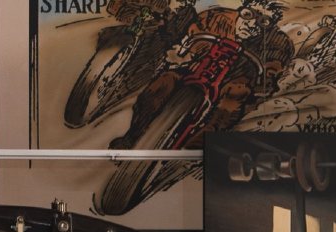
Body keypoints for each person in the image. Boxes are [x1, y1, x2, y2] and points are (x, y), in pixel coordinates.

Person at [110, 0, 293, 150]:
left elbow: (274, 65)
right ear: (241, 10)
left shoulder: (277, 41)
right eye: (249, 14)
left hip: (233, 81)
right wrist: (184, 53)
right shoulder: (215, 18)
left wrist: (267, 78)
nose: (253, 24)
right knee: (163, 83)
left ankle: (199, 144)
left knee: (235, 97)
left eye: (264, 21)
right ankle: (134, 135)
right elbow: (192, 37)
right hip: (196, 67)